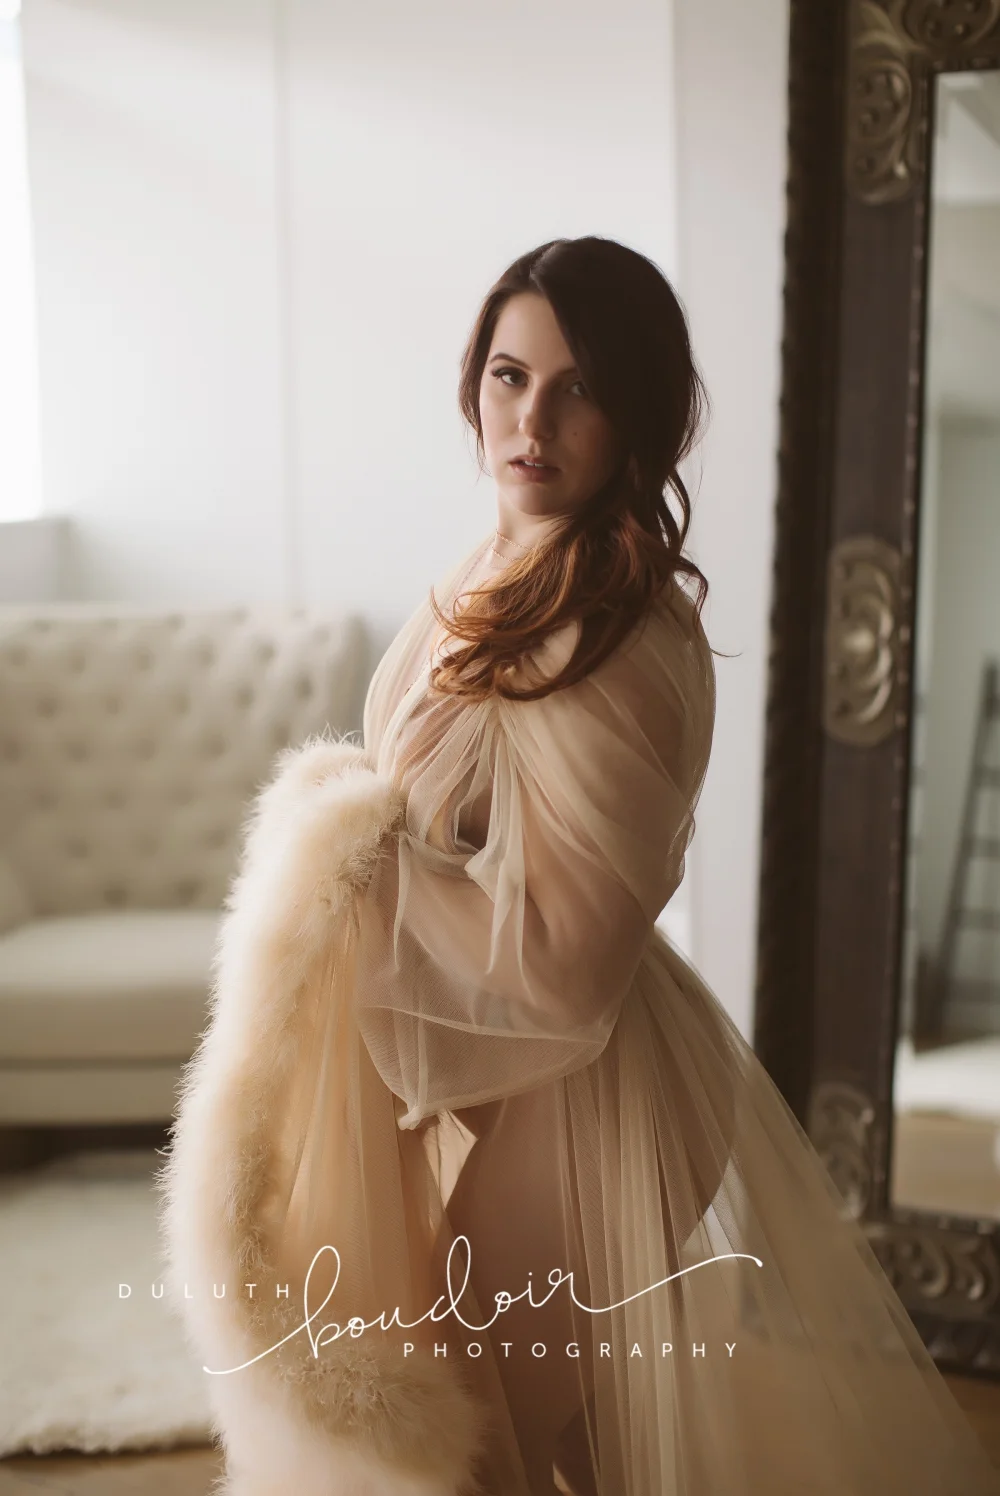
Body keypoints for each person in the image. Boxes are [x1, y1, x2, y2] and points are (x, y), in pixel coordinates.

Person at [157, 237, 1000, 1495]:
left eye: (578, 388)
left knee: (472, 1452)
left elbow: (560, 962)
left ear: (637, 416)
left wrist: (336, 862)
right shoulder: (489, 576)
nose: (532, 419)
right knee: (566, 1449)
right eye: (509, 376)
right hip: (515, 1086)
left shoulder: (614, 624)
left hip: (591, 1101)